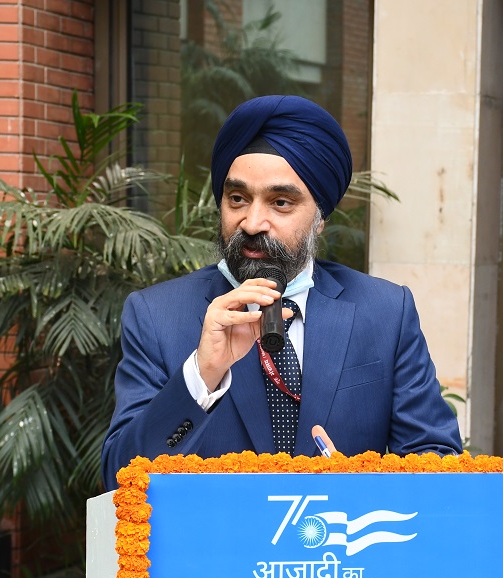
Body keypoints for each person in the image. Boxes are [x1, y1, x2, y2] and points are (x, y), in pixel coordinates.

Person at [101, 95, 462, 488]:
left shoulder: (386, 312)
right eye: (237, 199)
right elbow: (120, 479)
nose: (252, 222)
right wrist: (202, 375)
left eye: (281, 202)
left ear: (320, 217)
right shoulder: (156, 316)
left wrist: (362, 488)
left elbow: (436, 460)